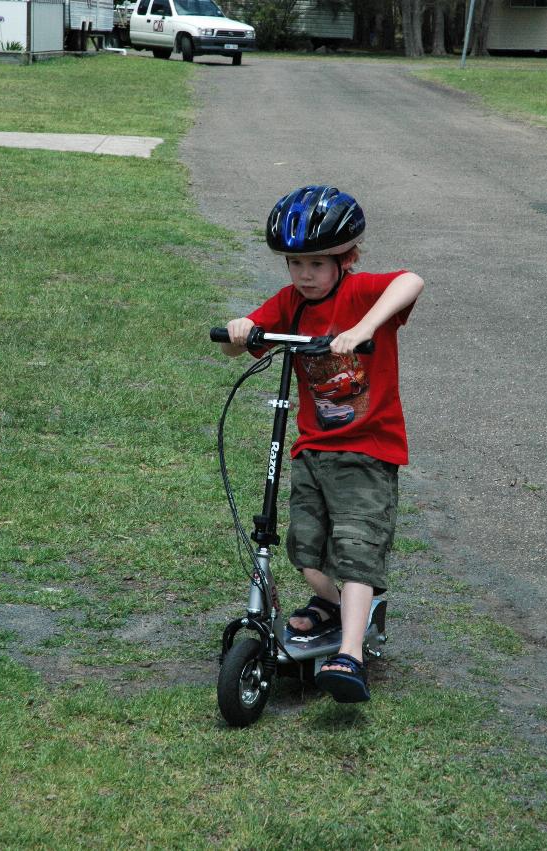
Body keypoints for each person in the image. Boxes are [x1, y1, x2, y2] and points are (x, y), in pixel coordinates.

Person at [221, 185, 424, 703]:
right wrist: (245, 329)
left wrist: (363, 327)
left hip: (368, 451)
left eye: (316, 263)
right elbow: (246, 339)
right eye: (295, 264)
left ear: (345, 259)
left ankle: (350, 654)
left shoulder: (360, 294)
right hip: (312, 450)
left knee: (356, 552)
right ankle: (341, 607)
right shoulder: (290, 304)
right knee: (307, 554)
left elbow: (411, 281)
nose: (304, 275)